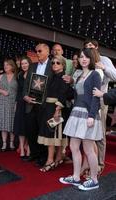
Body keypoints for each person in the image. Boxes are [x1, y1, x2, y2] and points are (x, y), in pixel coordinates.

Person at [59, 48, 103, 191]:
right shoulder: (78, 76)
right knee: (73, 147)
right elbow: (77, 96)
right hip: (76, 113)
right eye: (81, 57)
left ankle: (94, 180)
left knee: (89, 149)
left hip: (88, 115)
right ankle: (76, 177)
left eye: (86, 57)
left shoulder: (95, 74)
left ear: (91, 59)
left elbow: (96, 97)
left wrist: (91, 115)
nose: (83, 59)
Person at [83, 39, 116, 172]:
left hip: (101, 99)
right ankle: (89, 162)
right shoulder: (85, 60)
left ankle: (99, 165)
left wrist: (104, 68)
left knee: (100, 133)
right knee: (87, 132)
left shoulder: (104, 59)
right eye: (86, 47)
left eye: (91, 46)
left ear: (96, 47)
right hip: (86, 101)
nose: (88, 49)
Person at [37, 55, 69, 172]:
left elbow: (63, 93)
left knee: (54, 134)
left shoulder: (64, 77)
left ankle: (51, 160)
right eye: (53, 63)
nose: (55, 64)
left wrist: (57, 110)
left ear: (63, 65)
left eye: (58, 63)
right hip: (48, 108)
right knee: (53, 134)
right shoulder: (52, 77)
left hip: (56, 109)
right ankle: (58, 157)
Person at [23, 43, 53, 166]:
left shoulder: (53, 66)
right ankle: (34, 154)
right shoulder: (32, 66)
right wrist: (25, 96)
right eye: (36, 51)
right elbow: (26, 84)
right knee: (31, 130)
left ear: (47, 51)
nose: (38, 53)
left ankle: (43, 157)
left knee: (43, 131)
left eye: (40, 51)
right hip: (30, 103)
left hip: (44, 105)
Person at [0, 59, 18, 151]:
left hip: (13, 102)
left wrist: (17, 102)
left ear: (12, 66)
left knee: (12, 123)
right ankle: (4, 143)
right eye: (4, 65)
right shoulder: (1, 76)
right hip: (2, 102)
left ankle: (11, 143)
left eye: (7, 65)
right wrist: (2, 91)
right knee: (4, 123)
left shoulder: (17, 76)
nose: (5, 67)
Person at [13, 56, 32, 160]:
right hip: (20, 102)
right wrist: (16, 103)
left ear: (29, 64)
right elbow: (18, 91)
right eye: (22, 64)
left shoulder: (33, 75)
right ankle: (21, 147)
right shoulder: (19, 75)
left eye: (26, 63)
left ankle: (28, 148)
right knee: (20, 126)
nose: (24, 65)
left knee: (28, 126)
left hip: (29, 103)